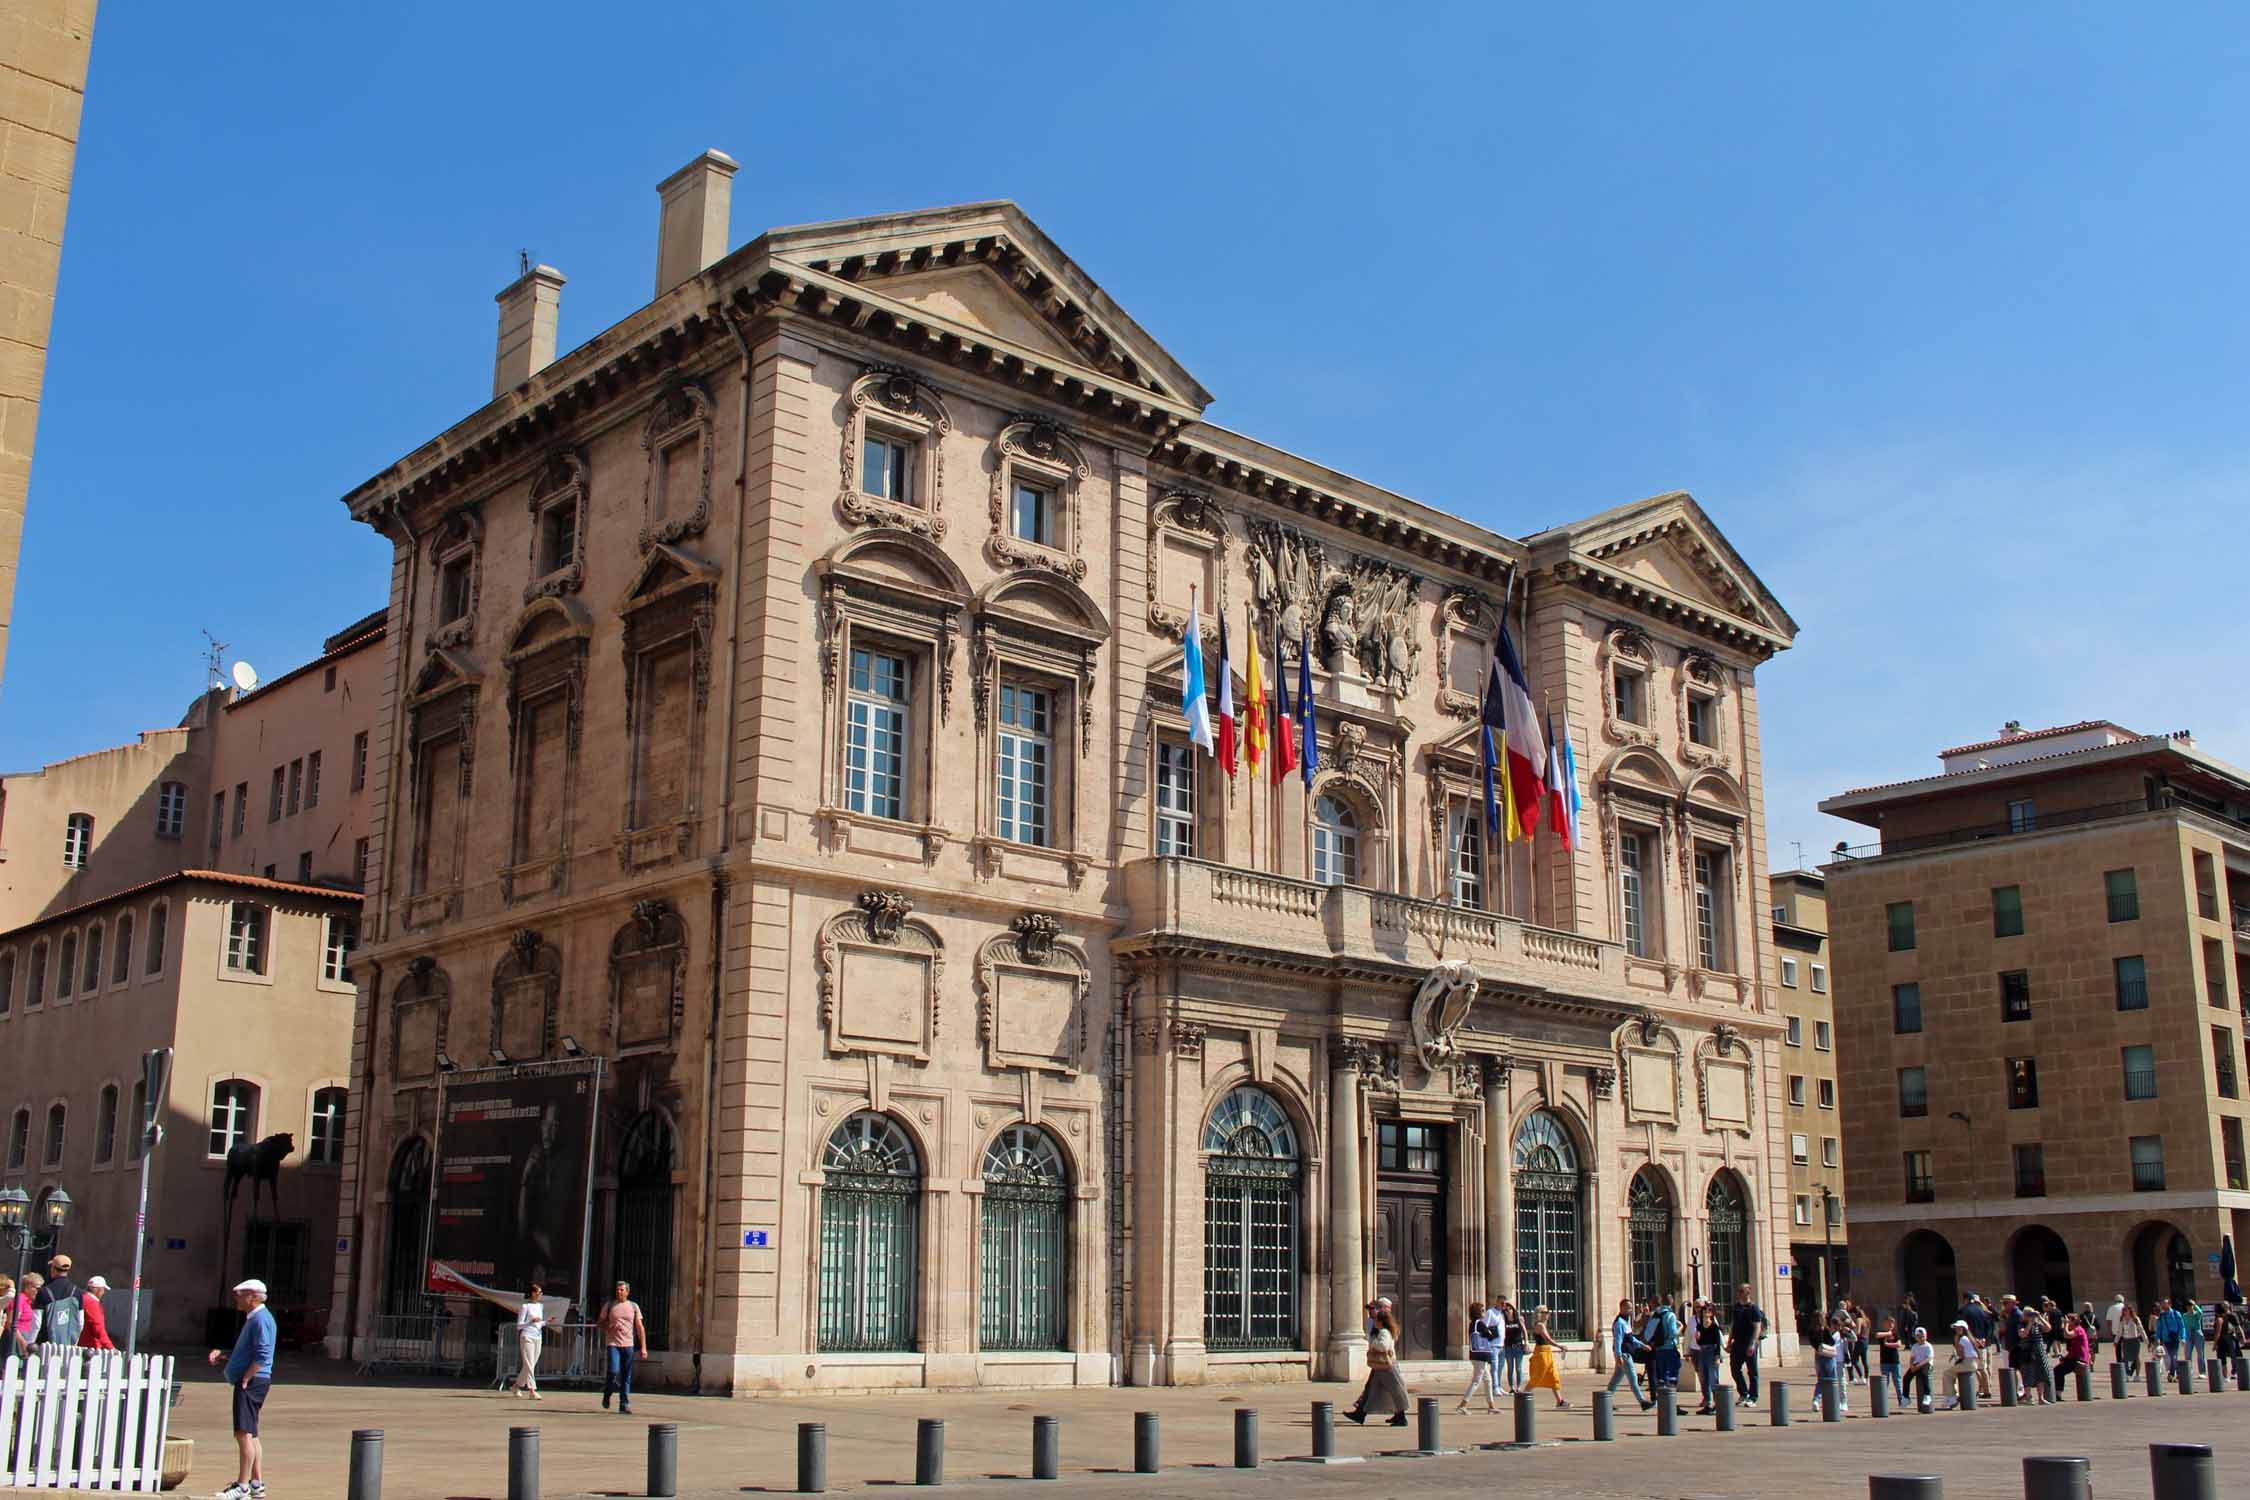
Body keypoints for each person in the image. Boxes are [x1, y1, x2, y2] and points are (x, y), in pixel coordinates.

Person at [205, 1278, 275, 1500]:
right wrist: (225, 1357)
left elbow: (263, 1354)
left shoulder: (260, 1319)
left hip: (253, 1381)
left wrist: (246, 1376)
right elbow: (249, 1352)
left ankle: (242, 1487)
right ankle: (256, 1484)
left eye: (241, 1294)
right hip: (255, 1379)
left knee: (243, 1433)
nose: (236, 1297)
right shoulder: (256, 1318)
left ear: (253, 1296)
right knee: (252, 1434)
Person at [1344, 1299, 1409, 1426]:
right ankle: (1361, 1413)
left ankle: (1401, 1416)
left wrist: (1373, 1343)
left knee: (1395, 1390)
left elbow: (1383, 1346)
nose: (1373, 1319)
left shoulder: (1384, 1331)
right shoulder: (1377, 1327)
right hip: (1380, 1365)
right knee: (1372, 1390)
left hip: (1386, 1365)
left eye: (1376, 1319)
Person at [598, 1281, 647, 1415]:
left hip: (628, 1345)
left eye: (621, 1290)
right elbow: (600, 1323)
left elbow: (639, 1328)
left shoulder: (633, 1306)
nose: (619, 1292)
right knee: (613, 1371)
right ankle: (607, 1393)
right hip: (613, 1344)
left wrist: (643, 1347)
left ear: (627, 1292)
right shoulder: (609, 1305)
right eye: (617, 1290)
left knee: (626, 1375)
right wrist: (608, 1327)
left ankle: (624, 1403)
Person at [1605, 1297, 1652, 1410]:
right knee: (1633, 1378)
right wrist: (1618, 1355)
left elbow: (1631, 1338)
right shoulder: (1619, 1323)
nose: (1631, 1310)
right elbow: (1618, 1340)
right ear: (1622, 1308)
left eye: (1631, 1308)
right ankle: (1642, 1402)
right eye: (1628, 1308)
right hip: (1624, 1355)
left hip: (1626, 1353)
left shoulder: (1625, 1322)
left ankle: (1605, 1401)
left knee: (1616, 1379)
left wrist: (1642, 1345)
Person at [1458, 1299, 1502, 1414]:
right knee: (1476, 1380)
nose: (1484, 1312)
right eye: (1482, 1310)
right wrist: (1492, 1332)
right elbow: (1490, 1336)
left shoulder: (1473, 1324)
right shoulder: (1479, 1323)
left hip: (1476, 1355)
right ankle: (1463, 1405)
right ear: (1478, 1312)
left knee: (1488, 1380)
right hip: (1480, 1355)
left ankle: (1491, 1406)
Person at [1727, 1282, 1766, 1406]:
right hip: (1737, 1343)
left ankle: (1753, 1397)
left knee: (1752, 1371)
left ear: (1748, 1293)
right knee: (1734, 1369)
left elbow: (1757, 1327)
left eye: (1741, 1291)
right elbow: (1733, 1325)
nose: (1738, 1293)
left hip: (1749, 1343)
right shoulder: (1737, 1307)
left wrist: (1753, 1344)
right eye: (1738, 1291)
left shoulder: (1753, 1308)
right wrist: (1729, 1342)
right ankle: (1743, 1393)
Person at [32, 1255, 82, 1349]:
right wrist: (74, 1342)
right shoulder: (77, 1292)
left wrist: (31, 1343)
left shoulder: (43, 1292)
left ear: (53, 1269)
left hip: (45, 1343)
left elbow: (36, 1323)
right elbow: (80, 1322)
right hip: (68, 1345)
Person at [510, 1282, 546, 1400]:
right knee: (529, 1365)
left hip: (538, 1337)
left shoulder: (540, 1306)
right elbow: (519, 1326)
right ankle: (532, 1390)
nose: (540, 1294)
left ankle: (515, 1386)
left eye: (541, 1292)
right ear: (532, 1293)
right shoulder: (525, 1306)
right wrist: (531, 1321)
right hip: (527, 1337)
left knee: (530, 1365)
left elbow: (539, 1323)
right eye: (538, 1292)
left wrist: (546, 1322)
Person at [1526, 1305, 1567, 1408]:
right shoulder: (1539, 1325)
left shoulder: (1543, 1324)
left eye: (1548, 1312)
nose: (1548, 1314)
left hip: (1547, 1352)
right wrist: (1559, 1346)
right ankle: (1523, 1396)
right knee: (1537, 1376)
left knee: (1554, 1376)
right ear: (1540, 1314)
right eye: (1545, 1312)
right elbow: (1547, 1339)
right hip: (1541, 1353)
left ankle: (1560, 1401)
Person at [1642, 1296, 1681, 1400]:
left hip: (1658, 1349)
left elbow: (1648, 1333)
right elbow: (1672, 1333)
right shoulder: (1670, 1315)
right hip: (1669, 1348)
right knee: (1672, 1375)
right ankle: (1671, 1402)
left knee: (1661, 1377)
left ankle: (1663, 1401)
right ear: (1672, 1303)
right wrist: (1680, 1328)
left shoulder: (1655, 1315)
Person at [1692, 1301, 1724, 1414]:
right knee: (1703, 1377)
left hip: (1711, 1352)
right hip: (1702, 1351)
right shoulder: (1699, 1326)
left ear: (1711, 1314)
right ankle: (1708, 1402)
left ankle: (1717, 1402)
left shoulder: (1714, 1326)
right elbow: (1700, 1343)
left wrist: (1717, 1357)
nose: (1706, 1312)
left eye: (1708, 1311)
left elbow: (1717, 1342)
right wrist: (1697, 1338)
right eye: (1704, 1310)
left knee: (1713, 1378)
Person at [1940, 1319, 1979, 1409]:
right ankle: (1953, 1394)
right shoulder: (1970, 1338)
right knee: (1953, 1373)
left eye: (1958, 1328)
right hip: (1972, 1363)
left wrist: (1956, 1341)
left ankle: (1951, 1396)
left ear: (1963, 1329)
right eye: (1956, 1328)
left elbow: (1960, 1354)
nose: (1956, 1330)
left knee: (1947, 1373)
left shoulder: (1962, 1339)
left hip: (1968, 1363)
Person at [2052, 1313, 2090, 1390]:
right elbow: (2073, 1350)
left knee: (2058, 1371)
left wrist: (2066, 1324)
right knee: (2058, 1369)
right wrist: (2065, 1358)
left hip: (2079, 1359)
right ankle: (2057, 1391)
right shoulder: (2078, 1329)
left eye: (2068, 1321)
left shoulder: (2078, 1329)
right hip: (2075, 1358)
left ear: (2073, 1321)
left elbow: (2067, 1335)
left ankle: (2058, 1392)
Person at [1496, 1297, 1527, 1394]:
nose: (1508, 1311)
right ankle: (1512, 1387)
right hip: (1508, 1347)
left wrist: (1526, 1343)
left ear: (1513, 1310)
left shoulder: (1518, 1319)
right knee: (1510, 1368)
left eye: (1510, 1309)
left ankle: (1519, 1387)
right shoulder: (1503, 1321)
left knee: (1518, 1368)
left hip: (1518, 1346)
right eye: (1506, 1310)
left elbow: (1524, 1331)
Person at [1904, 1326, 1937, 1413]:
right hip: (1916, 1364)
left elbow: (1929, 1358)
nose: (1921, 1338)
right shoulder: (1914, 1346)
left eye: (1923, 1336)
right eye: (1918, 1336)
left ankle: (1927, 1395)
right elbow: (1912, 1357)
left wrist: (1918, 1366)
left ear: (1926, 1336)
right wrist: (1911, 1366)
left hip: (1926, 1364)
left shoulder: (1928, 1346)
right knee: (1906, 1377)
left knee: (1924, 1374)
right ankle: (1906, 1397)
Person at [78, 1275, 115, 1351]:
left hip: (81, 1343)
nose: (103, 1292)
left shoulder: (83, 1298)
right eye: (102, 1289)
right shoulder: (92, 1303)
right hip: (91, 1346)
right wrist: (110, 1347)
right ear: (95, 1289)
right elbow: (98, 1328)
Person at [1875, 1315, 1904, 1403]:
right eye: (1889, 1323)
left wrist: (1887, 1344)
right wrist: (1888, 1334)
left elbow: (1899, 1344)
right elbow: (1877, 1335)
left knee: (1897, 1382)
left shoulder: (1896, 1334)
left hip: (1895, 1361)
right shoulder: (1883, 1334)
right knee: (1885, 1382)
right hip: (1885, 1361)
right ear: (1885, 1324)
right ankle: (1884, 1401)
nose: (1891, 1324)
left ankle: (1901, 1400)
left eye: (1892, 1323)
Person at [2154, 1298, 2185, 1377]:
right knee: (2170, 1357)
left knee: (2173, 1356)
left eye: (2165, 1303)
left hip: (2175, 1338)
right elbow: (2159, 1327)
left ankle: (2172, 1373)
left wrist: (2183, 1338)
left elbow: (2182, 1326)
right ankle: (2176, 1372)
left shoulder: (2176, 1314)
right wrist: (2157, 1337)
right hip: (2166, 1339)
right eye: (2162, 1304)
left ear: (2169, 1304)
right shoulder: (2162, 1315)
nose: (2163, 1305)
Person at [2116, 1302, 2147, 1377]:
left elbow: (2141, 1330)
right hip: (2126, 1340)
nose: (2124, 1312)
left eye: (2126, 1310)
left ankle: (2137, 1375)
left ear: (2130, 1310)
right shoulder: (2122, 1319)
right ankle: (2126, 1374)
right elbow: (2119, 1331)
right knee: (2125, 1358)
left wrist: (2146, 1341)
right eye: (2124, 1310)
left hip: (2135, 1340)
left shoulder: (2135, 1319)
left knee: (2136, 1357)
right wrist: (2116, 1341)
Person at [2184, 1299, 2207, 1375]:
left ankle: (2202, 1372)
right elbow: (2183, 1326)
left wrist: (2195, 1305)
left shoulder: (2197, 1314)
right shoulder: (2185, 1315)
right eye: (2188, 1306)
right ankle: (2189, 1371)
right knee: (2187, 1354)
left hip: (2197, 1333)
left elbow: (2201, 1312)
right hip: (2188, 1333)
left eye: (2191, 1306)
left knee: (2200, 1353)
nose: (2189, 1307)